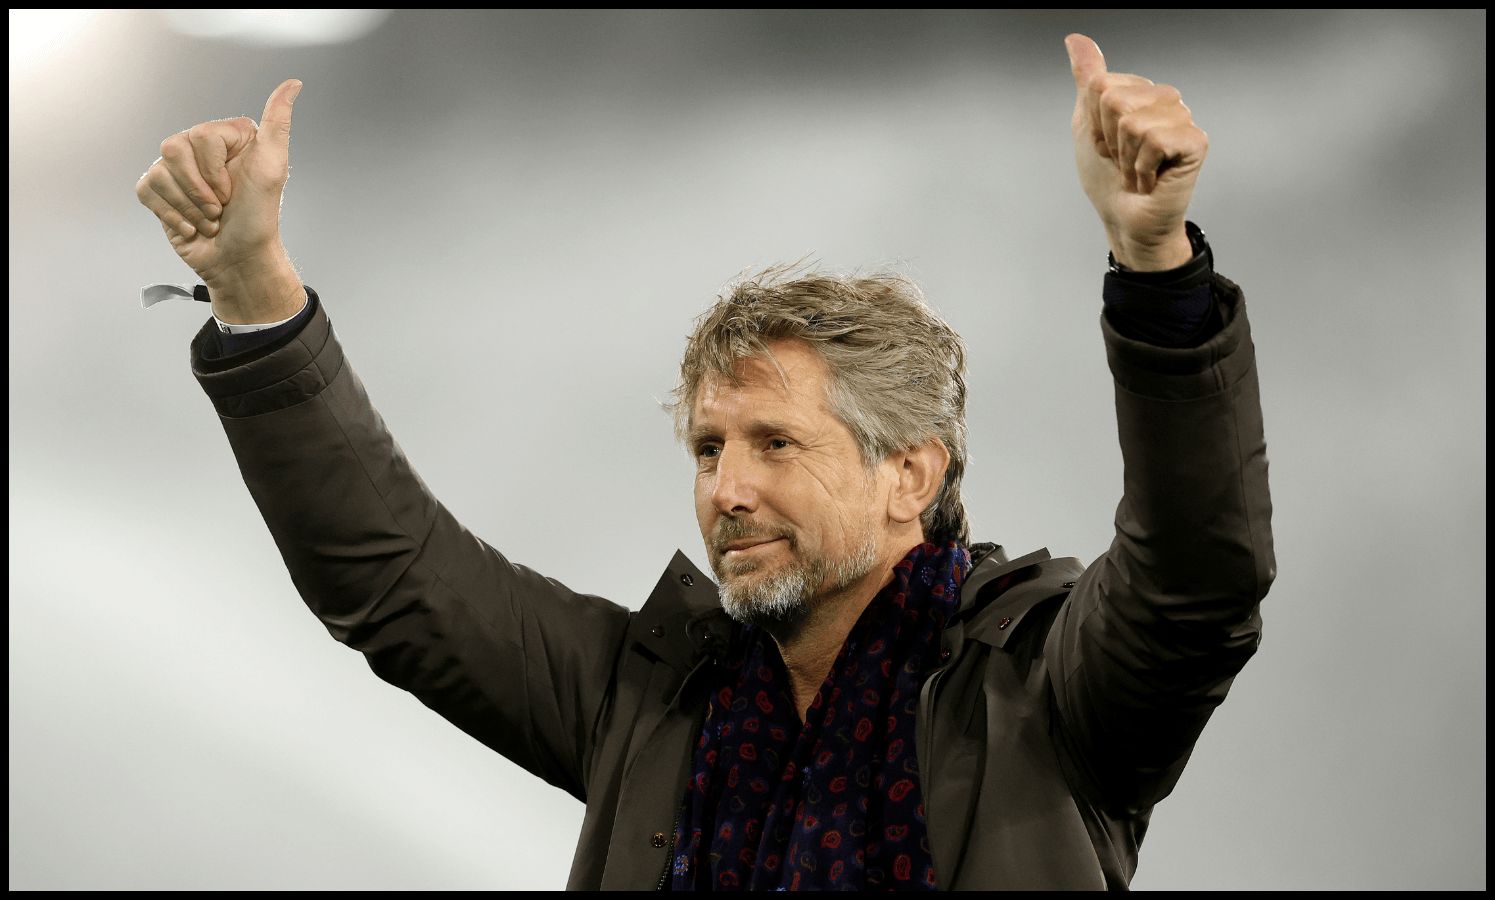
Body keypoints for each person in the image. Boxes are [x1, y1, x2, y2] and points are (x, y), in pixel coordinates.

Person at [134, 33, 1275, 890]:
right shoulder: (648, 697)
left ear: (911, 476)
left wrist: (1154, 261)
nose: (726, 489)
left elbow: (1196, 576)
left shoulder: (1047, 692)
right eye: (708, 447)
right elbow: (394, 578)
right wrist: (253, 297)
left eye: (776, 443)